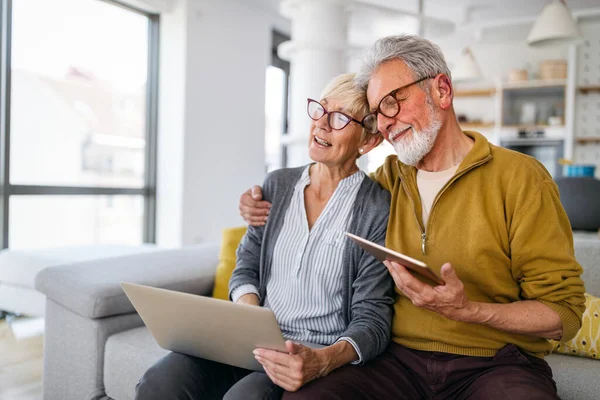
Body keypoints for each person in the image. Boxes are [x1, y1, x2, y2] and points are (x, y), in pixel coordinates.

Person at [239, 35, 586, 400]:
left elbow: (563, 314)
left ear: (442, 90)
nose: (385, 123)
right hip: (397, 362)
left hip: (495, 363)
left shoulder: (521, 178)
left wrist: (470, 311)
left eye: (394, 102)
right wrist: (259, 204)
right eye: (377, 113)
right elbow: (328, 192)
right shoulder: (387, 181)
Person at [134, 73, 395, 400]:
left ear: (368, 141)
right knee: (160, 381)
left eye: (340, 118)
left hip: (306, 352)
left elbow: (373, 317)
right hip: (249, 341)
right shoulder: (277, 185)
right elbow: (246, 265)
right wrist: (250, 316)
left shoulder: (376, 208)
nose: (321, 125)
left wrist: (323, 360)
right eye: (320, 109)